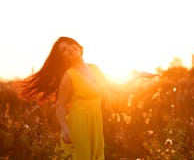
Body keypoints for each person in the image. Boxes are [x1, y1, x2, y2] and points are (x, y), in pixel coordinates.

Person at [19, 36, 153, 160]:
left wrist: (139, 75)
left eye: (71, 44)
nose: (70, 49)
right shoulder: (69, 76)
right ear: (63, 58)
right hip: (79, 125)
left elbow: (117, 88)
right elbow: (61, 106)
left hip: (95, 124)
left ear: (78, 46)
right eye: (64, 50)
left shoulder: (95, 68)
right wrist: (65, 128)